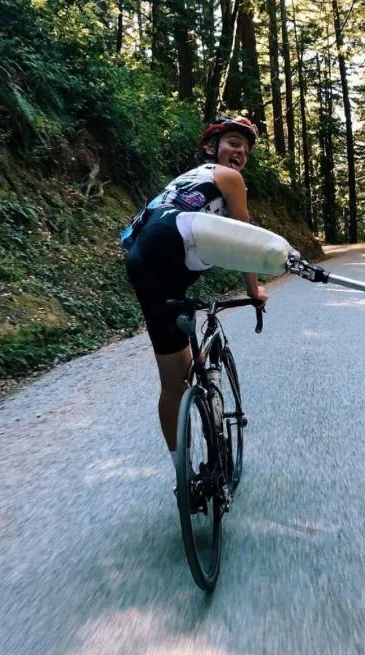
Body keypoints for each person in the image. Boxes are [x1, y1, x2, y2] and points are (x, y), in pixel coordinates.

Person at [125, 116, 268, 469]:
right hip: (176, 237)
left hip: (141, 255)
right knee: (184, 357)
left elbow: (157, 246)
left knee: (175, 378)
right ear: (211, 148)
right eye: (234, 142)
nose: (240, 153)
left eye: (245, 149)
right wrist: (254, 290)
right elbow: (243, 238)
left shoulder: (186, 182)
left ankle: (183, 475)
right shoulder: (228, 178)